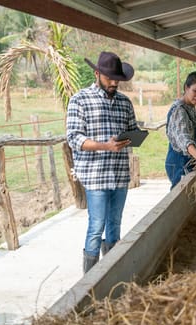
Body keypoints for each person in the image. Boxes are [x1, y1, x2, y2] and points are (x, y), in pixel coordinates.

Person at [66, 51, 139, 273]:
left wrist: (132, 137)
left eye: (118, 79)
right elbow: (74, 138)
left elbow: (133, 130)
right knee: (96, 228)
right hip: (95, 176)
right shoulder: (80, 100)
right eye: (110, 78)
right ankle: (90, 282)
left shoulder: (125, 103)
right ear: (97, 74)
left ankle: (111, 275)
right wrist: (104, 145)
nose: (115, 83)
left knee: (115, 226)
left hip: (119, 174)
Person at [165, 71, 196, 188]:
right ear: (186, 87)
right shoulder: (179, 110)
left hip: (188, 161)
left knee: (188, 194)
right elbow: (184, 140)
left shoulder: (190, 107)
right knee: (179, 196)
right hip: (179, 162)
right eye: (195, 91)